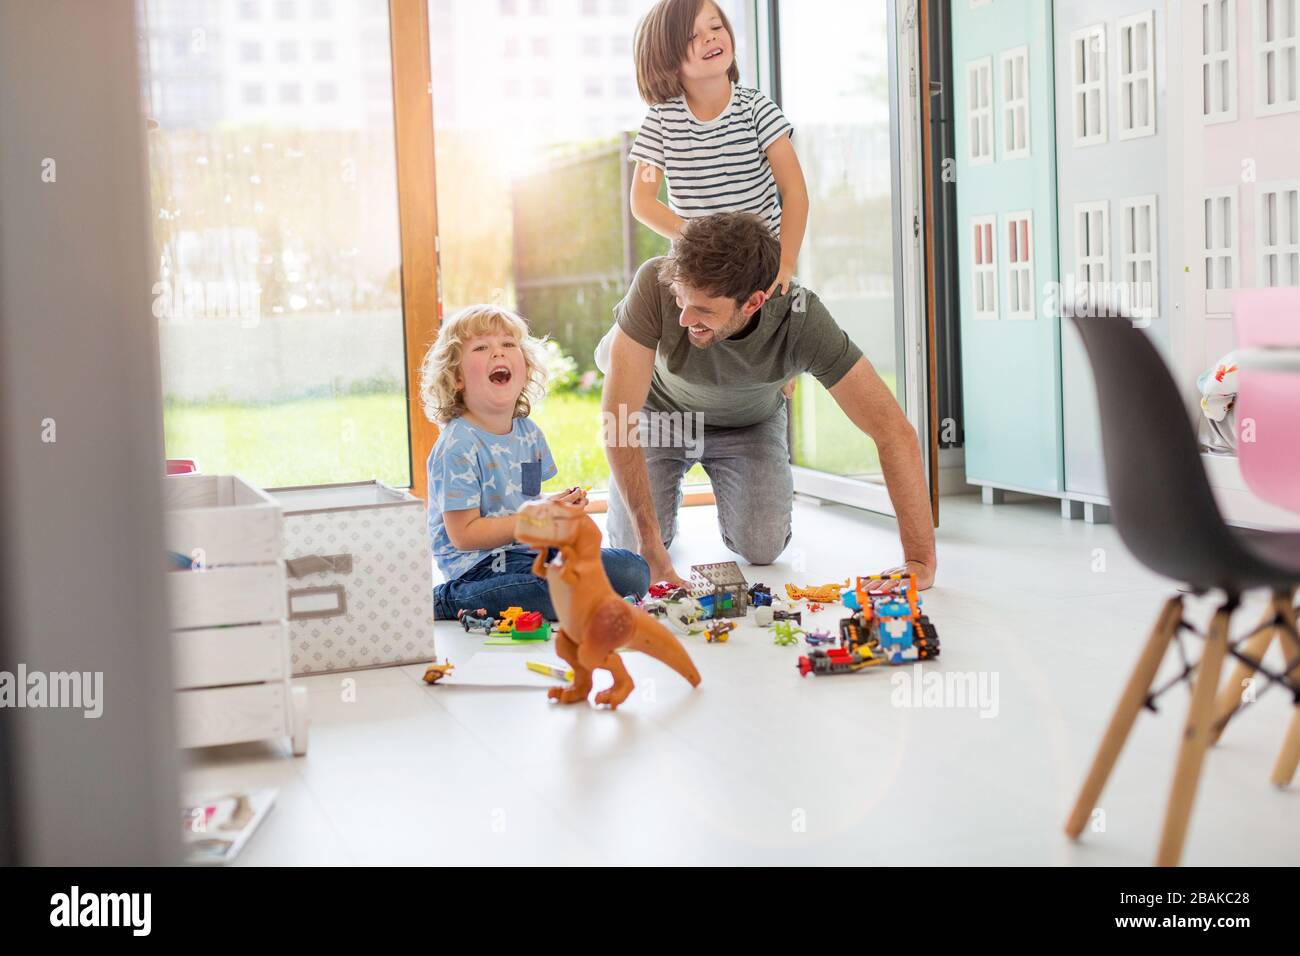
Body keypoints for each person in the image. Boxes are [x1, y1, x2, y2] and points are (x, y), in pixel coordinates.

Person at [600, 212, 936, 590]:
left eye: (704, 310)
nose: (684, 318)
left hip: (749, 423)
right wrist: (648, 540)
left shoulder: (801, 319)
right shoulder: (655, 281)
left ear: (753, 302)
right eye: (681, 300)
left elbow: (892, 431)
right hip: (664, 412)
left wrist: (919, 560)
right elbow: (618, 416)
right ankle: (618, 347)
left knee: (763, 546)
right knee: (631, 546)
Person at [594, 0, 808, 400]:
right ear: (666, 57)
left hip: (759, 263)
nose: (710, 37)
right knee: (668, 301)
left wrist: (787, 262)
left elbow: (795, 191)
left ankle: (777, 366)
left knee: (769, 350)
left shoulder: (756, 108)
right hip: (697, 264)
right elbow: (642, 202)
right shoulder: (661, 121)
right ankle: (625, 341)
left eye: (715, 26)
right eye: (693, 36)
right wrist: (697, 237)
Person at [421, 304, 650, 619]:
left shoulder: (529, 435)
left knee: (634, 570)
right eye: (481, 347)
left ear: (525, 368)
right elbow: (464, 535)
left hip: (531, 553)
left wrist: (555, 507)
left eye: (508, 344)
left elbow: (526, 501)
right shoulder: (457, 446)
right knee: (553, 591)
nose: (498, 352)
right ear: (456, 377)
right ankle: (449, 599)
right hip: (479, 568)